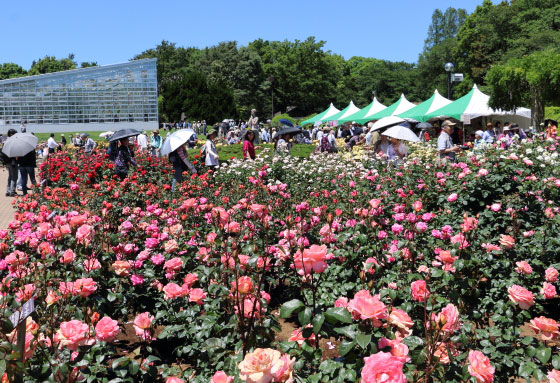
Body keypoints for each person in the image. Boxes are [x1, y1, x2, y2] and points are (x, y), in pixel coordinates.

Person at [3, 129, 18, 196]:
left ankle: (7, 191)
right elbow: (15, 153)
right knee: (14, 177)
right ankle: (12, 191)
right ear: (12, 134)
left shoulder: (5, 141)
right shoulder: (13, 141)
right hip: (13, 162)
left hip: (7, 162)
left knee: (10, 176)